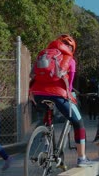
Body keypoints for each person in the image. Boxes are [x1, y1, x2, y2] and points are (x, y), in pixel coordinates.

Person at [29, 34, 94, 167]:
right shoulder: (70, 59)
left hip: (37, 94)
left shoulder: (44, 55)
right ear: (71, 48)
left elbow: (33, 75)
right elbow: (69, 86)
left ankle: (47, 148)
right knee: (79, 123)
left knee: (48, 119)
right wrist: (71, 96)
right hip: (58, 94)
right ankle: (82, 158)